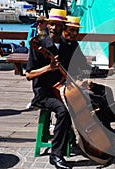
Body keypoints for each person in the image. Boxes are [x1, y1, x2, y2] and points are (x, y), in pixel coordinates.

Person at [25, 8, 74, 169]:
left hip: (62, 88)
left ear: (63, 27)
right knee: (63, 111)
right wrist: (48, 68)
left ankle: (90, 141)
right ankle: (56, 155)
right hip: (44, 93)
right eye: (51, 24)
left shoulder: (67, 46)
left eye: (57, 25)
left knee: (89, 99)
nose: (53, 28)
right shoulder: (39, 45)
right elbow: (29, 75)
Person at [62, 15, 115, 131]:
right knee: (98, 99)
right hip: (69, 86)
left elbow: (84, 66)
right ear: (64, 29)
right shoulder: (60, 46)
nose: (75, 34)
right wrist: (80, 81)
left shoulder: (74, 45)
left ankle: (107, 126)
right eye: (71, 30)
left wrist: (104, 72)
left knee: (107, 91)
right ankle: (100, 129)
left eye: (77, 31)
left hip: (78, 82)